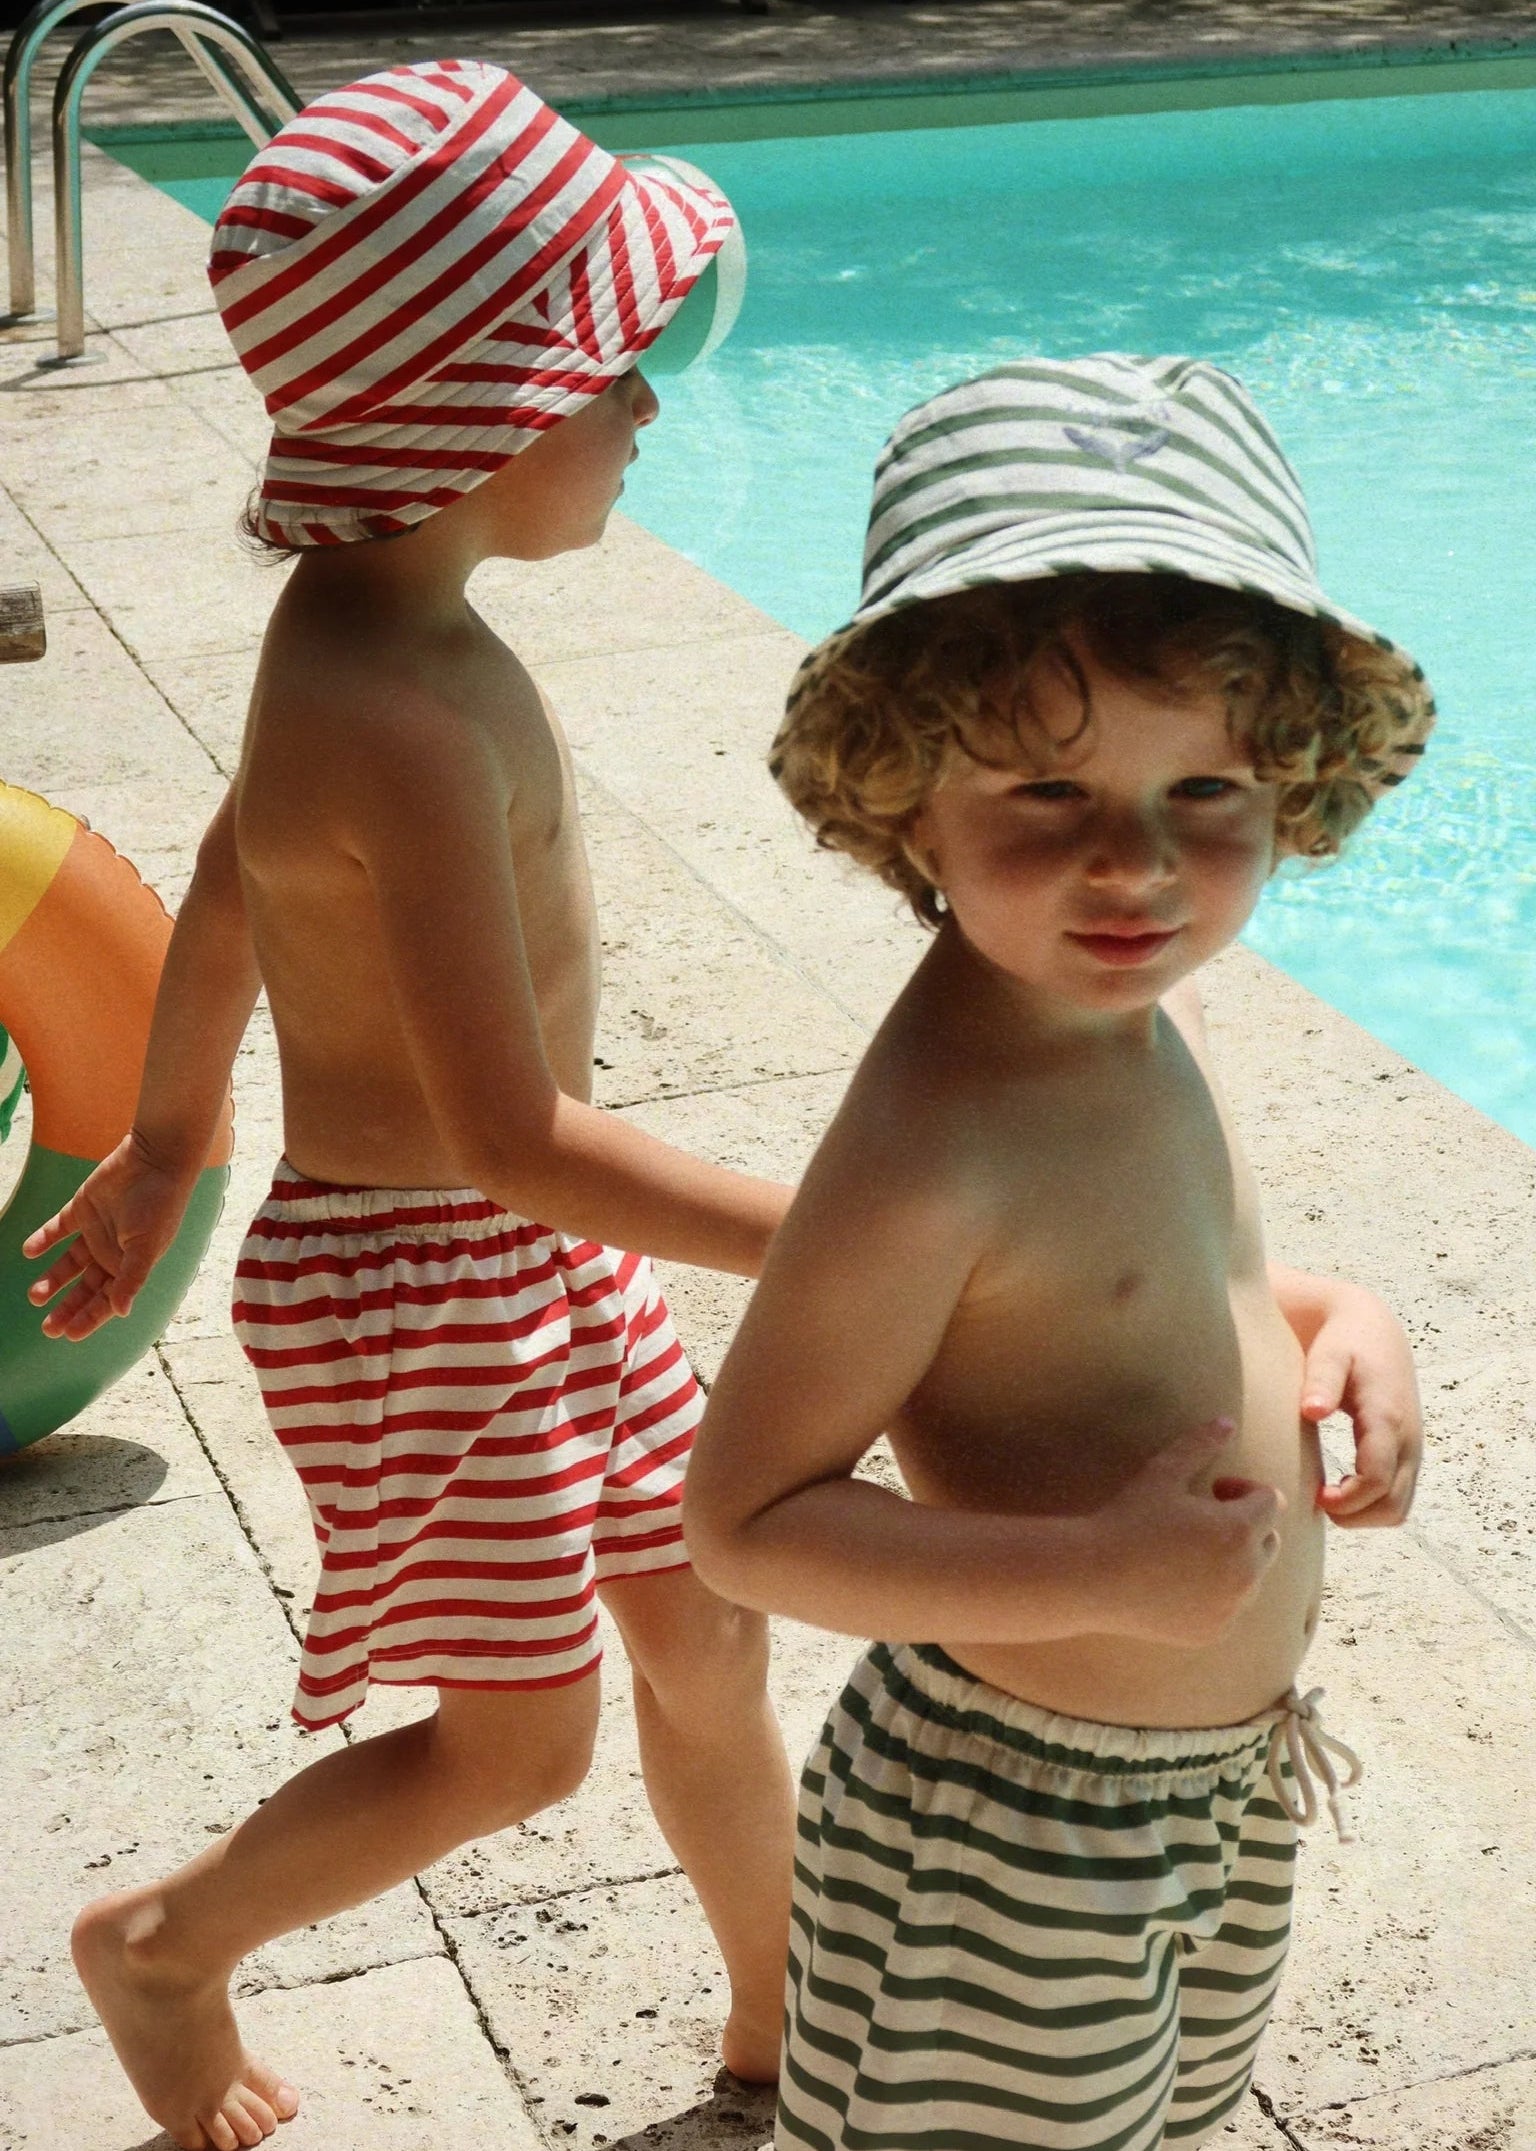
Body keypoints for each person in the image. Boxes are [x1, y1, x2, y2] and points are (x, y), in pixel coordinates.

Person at [24, 60, 792, 2151]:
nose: (644, 404)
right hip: (429, 1278)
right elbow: (519, 1131)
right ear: (477, 408)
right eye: (610, 363)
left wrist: (165, 1138)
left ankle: (782, 2028)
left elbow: (220, 873)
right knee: (518, 1742)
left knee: (704, 1631)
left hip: (523, 1260)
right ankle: (164, 1942)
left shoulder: (380, 630)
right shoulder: (391, 701)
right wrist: (843, 1239)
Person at [682, 355, 1431, 2151]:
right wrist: (1094, 1571)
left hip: (1200, 1791)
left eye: (1207, 796)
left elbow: (1181, 1283)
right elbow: (745, 1520)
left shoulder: (1108, 1020)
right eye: (1044, 796)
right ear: (902, 804)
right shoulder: (940, 1135)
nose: (1137, 871)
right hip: (1015, 1836)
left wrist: (1351, 1320)